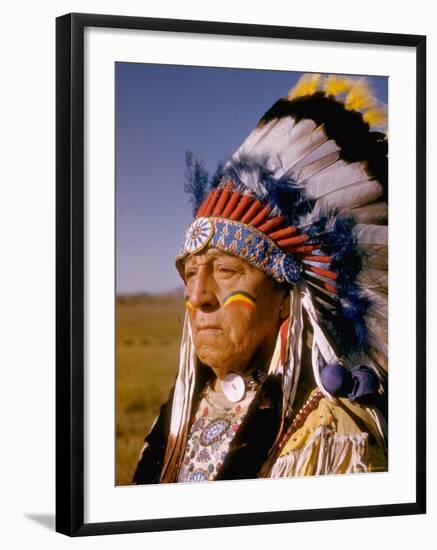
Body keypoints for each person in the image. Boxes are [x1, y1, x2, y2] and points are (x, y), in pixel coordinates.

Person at [133, 74, 388, 484]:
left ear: (284, 299)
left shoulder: (330, 435)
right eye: (191, 274)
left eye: (225, 271)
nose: (198, 297)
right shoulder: (177, 418)